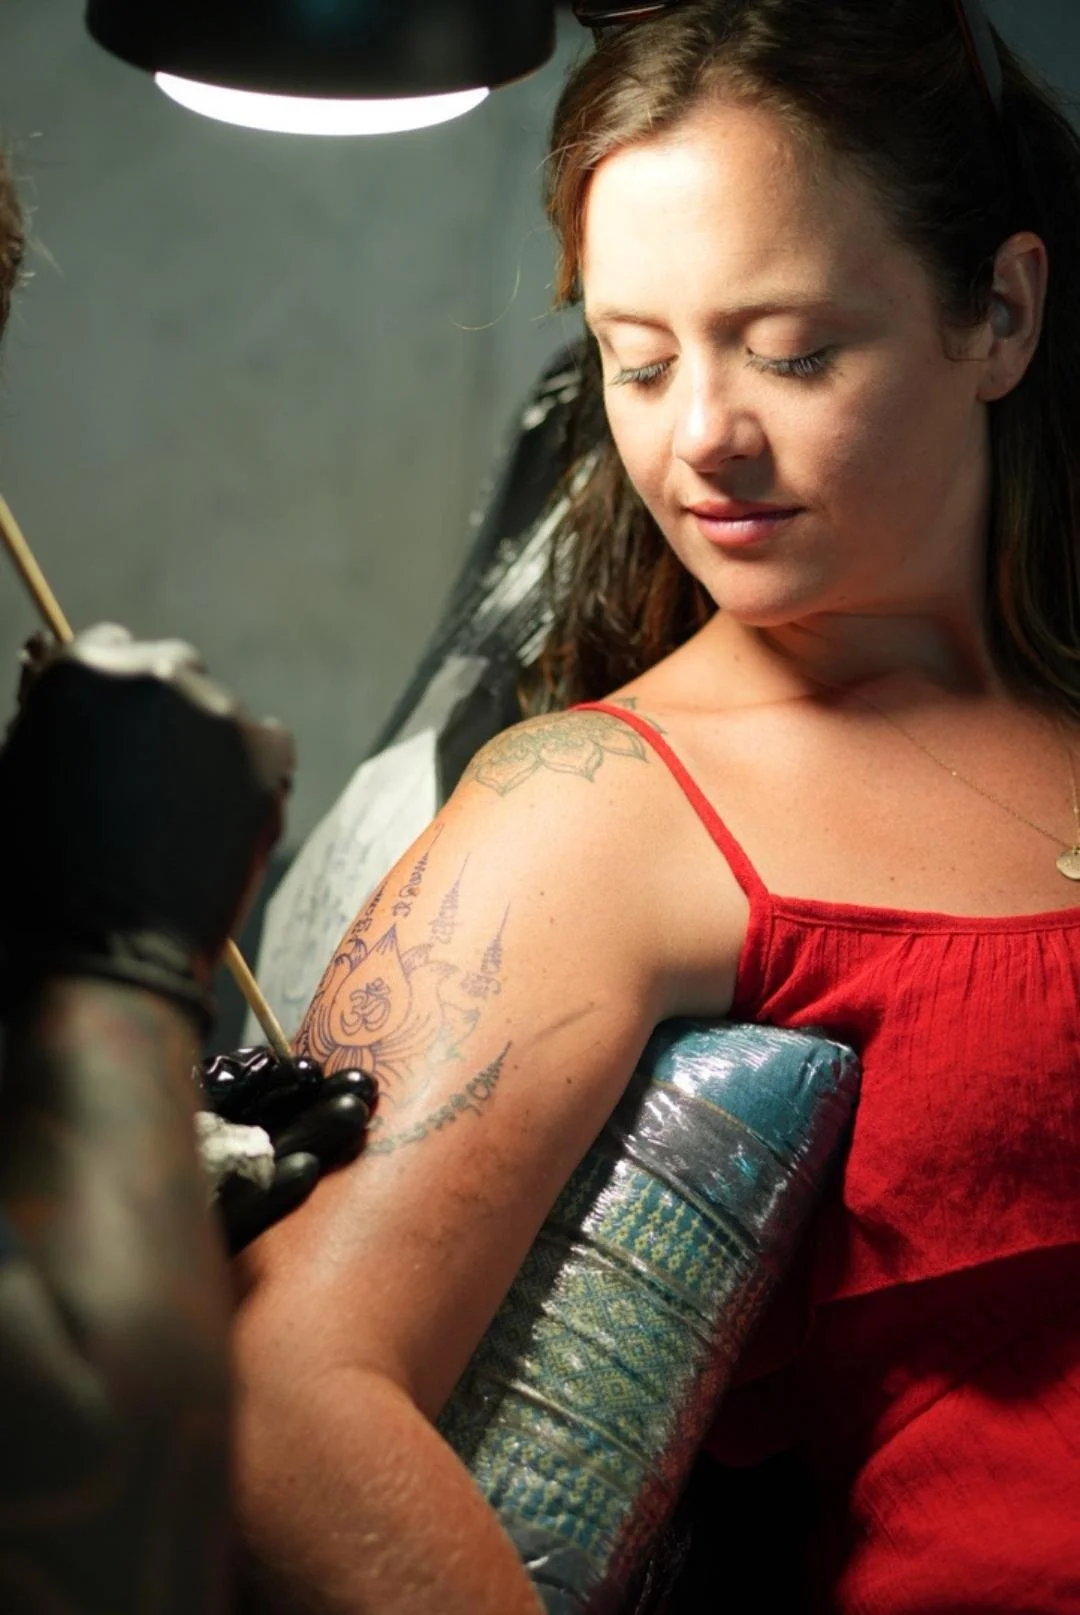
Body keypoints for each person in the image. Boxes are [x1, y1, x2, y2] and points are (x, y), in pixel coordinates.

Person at [232, 2, 1080, 1611]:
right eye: (637, 357)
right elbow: (286, 1390)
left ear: (1002, 313)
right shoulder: (596, 808)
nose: (701, 437)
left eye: (793, 350)